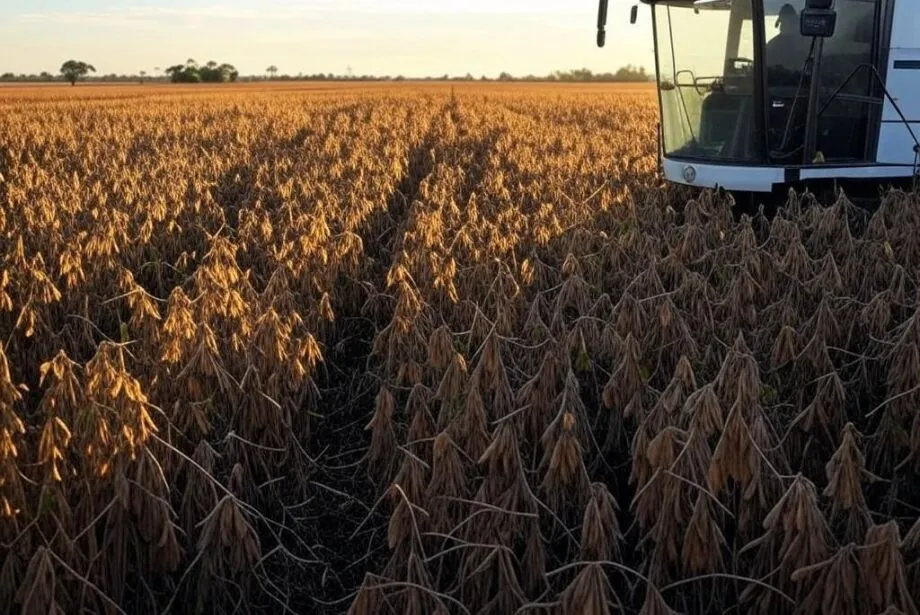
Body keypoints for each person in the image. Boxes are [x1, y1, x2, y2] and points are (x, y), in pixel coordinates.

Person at [765, 4, 812, 83]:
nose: (786, 25)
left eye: (789, 21)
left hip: (805, 89)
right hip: (773, 91)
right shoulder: (807, 44)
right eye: (785, 22)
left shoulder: (807, 44)